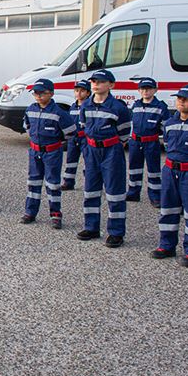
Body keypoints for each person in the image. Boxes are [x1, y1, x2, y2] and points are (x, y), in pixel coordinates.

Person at [151, 84, 188, 268]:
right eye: (179, 98)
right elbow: (168, 145)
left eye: (186, 99)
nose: (181, 102)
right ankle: (167, 245)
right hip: (170, 171)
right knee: (167, 209)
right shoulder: (170, 123)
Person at [76, 69, 132, 247]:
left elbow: (124, 133)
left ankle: (116, 232)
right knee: (90, 190)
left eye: (100, 81)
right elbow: (83, 127)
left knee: (114, 193)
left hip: (111, 151)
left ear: (111, 85)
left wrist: (112, 146)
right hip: (92, 151)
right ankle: (91, 227)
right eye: (93, 81)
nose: (95, 84)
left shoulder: (118, 107)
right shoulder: (86, 105)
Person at [20, 79, 77, 228]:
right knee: (33, 182)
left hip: (52, 152)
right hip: (35, 151)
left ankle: (55, 214)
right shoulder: (30, 109)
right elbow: (27, 126)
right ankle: (30, 212)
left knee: (52, 183)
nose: (38, 96)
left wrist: (54, 141)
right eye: (35, 93)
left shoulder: (59, 112)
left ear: (51, 93)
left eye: (42, 93)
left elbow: (70, 132)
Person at [126, 78, 168, 207]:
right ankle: (133, 193)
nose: (146, 91)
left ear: (155, 90)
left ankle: (155, 196)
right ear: (139, 90)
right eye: (143, 89)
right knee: (134, 169)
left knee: (153, 170)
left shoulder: (160, 107)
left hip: (151, 142)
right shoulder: (136, 105)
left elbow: (166, 127)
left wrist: (167, 144)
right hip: (135, 142)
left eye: (149, 89)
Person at [61, 80, 91, 191]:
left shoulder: (89, 106)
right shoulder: (73, 107)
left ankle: (89, 183)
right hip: (73, 138)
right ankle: (68, 182)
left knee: (88, 161)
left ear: (88, 93)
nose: (79, 93)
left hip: (85, 138)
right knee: (71, 160)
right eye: (76, 91)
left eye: (82, 91)